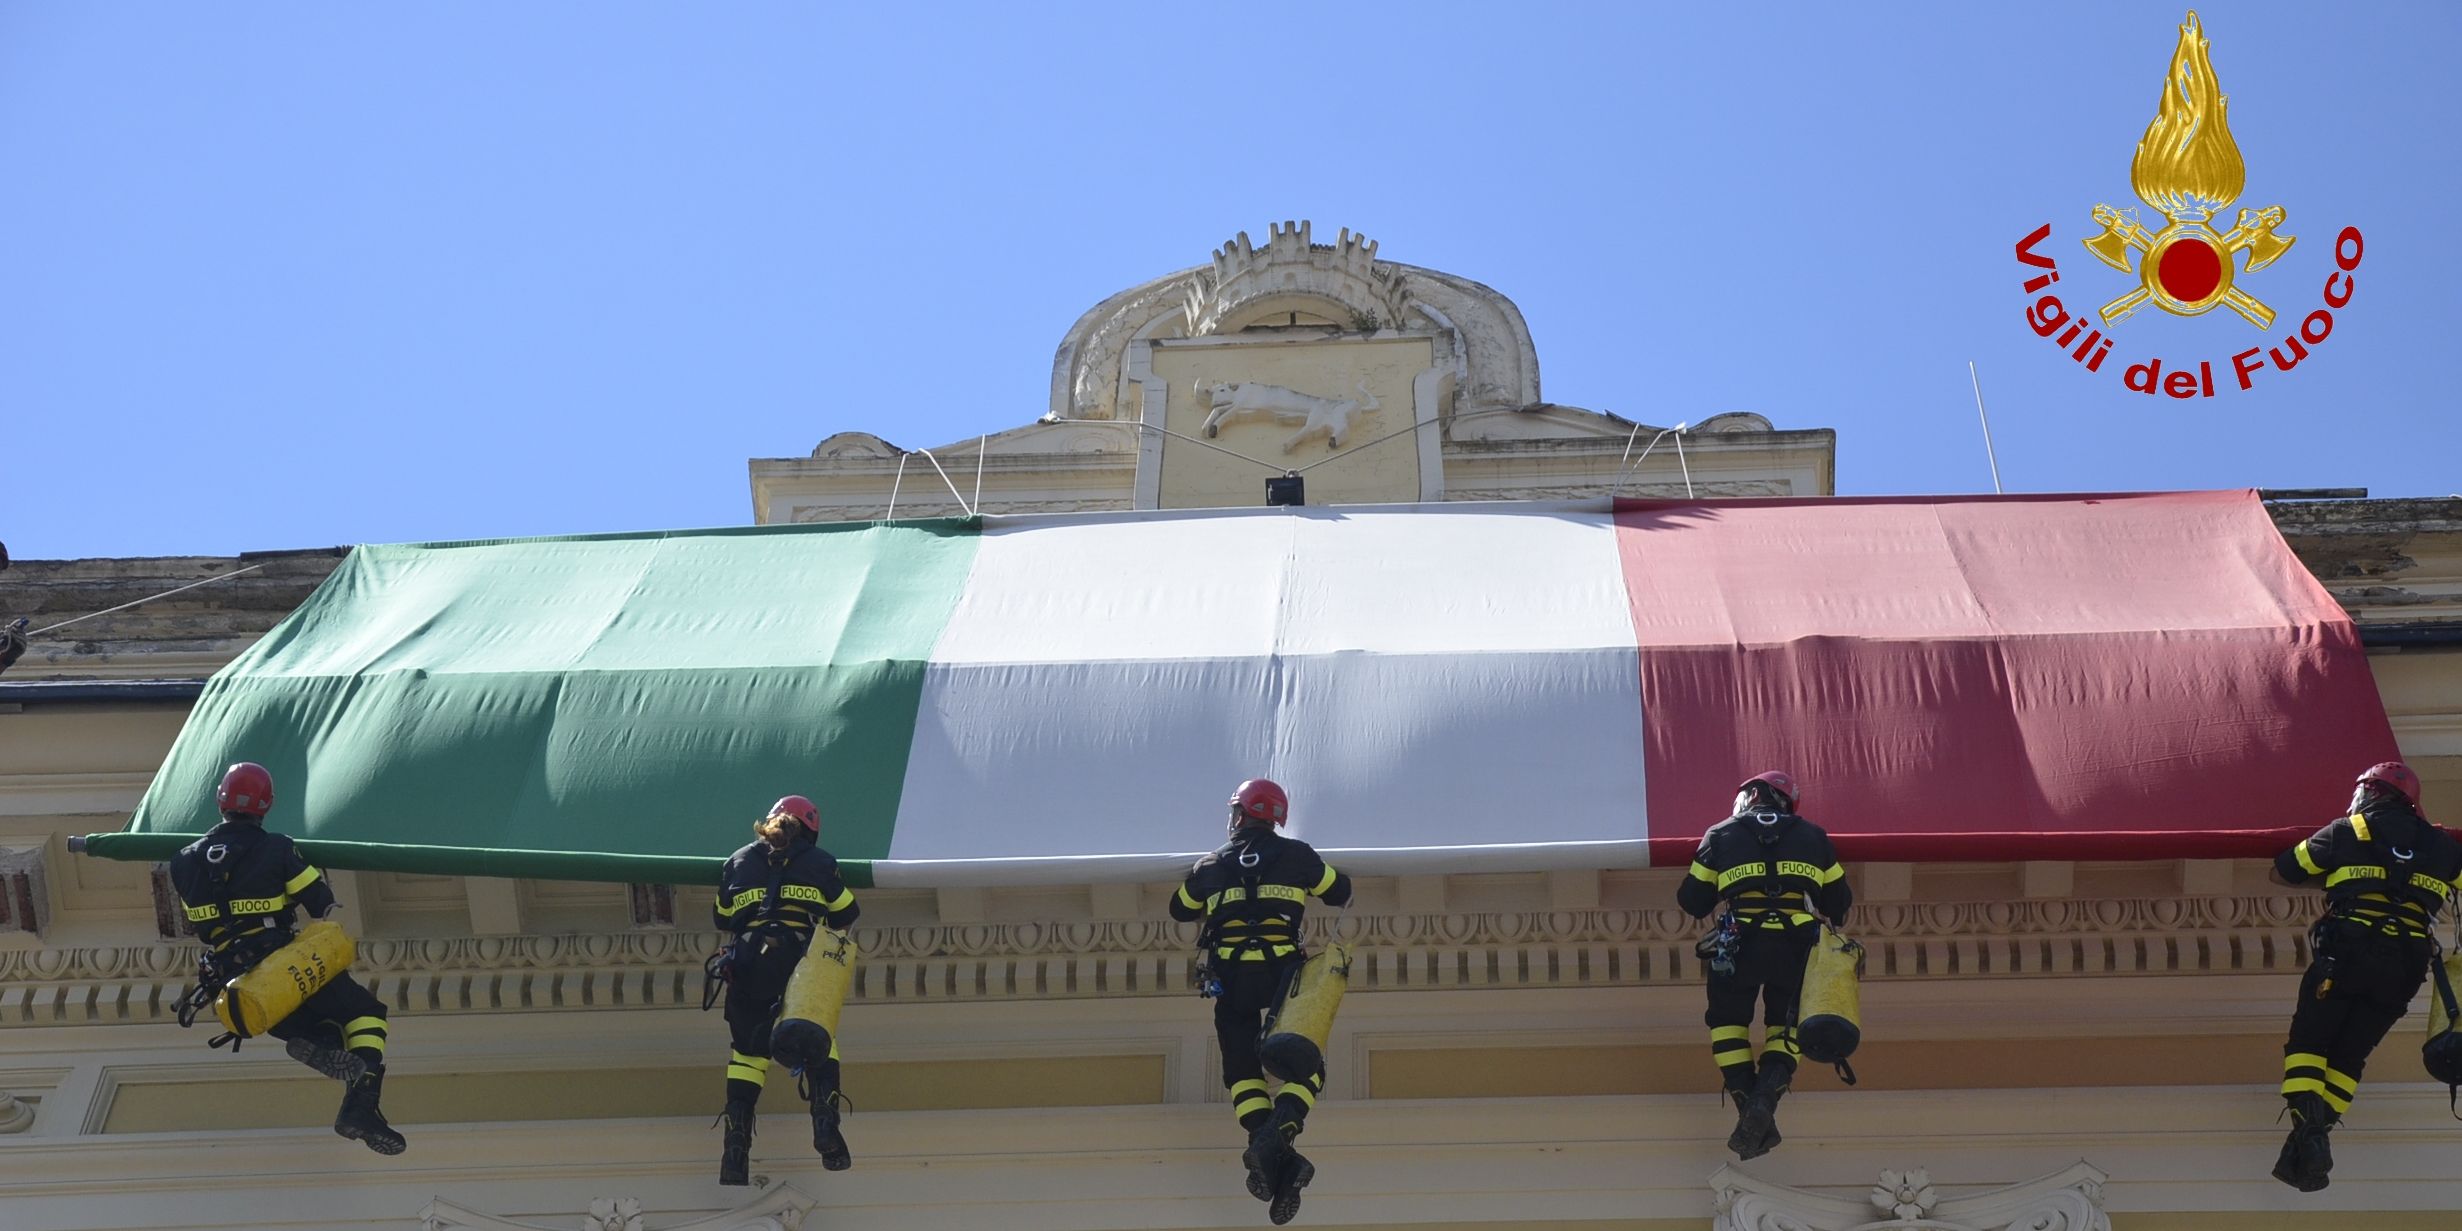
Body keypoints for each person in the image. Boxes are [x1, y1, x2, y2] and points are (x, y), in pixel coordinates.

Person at [168, 762, 405, 1155]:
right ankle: (360, 1103)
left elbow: (198, 922)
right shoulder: (276, 847)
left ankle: (319, 1044)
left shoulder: (183, 861)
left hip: (240, 989)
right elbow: (319, 903)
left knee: (325, 1033)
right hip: (284, 968)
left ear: (220, 800)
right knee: (366, 1013)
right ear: (268, 804)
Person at [2268, 761, 2460, 1191]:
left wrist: (2338, 881)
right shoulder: (2443, 846)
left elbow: (2284, 869)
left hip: (2347, 952)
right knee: (2349, 1056)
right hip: (2406, 966)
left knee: (2308, 1046)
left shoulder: (2345, 832)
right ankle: (2309, 1143)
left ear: (2369, 794)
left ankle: (2310, 1134)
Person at [1169, 778, 1353, 1226]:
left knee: (1241, 1072)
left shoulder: (1210, 865)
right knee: (1306, 1062)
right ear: (1274, 819)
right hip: (1281, 976)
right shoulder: (1298, 856)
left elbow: (1181, 908)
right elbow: (1339, 890)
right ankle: (1283, 1131)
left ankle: (1272, 1153)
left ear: (1242, 815)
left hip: (1232, 982)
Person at [1675, 770, 1851, 1162]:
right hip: (1798, 946)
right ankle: (1764, 1101)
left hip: (1740, 944)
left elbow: (1692, 900)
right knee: (1785, 1026)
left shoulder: (1720, 834)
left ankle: (1747, 1105)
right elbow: (1839, 903)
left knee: (1727, 1023)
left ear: (1752, 795)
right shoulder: (1814, 837)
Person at [711, 794, 861, 1186]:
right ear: (809, 832)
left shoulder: (738, 859)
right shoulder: (821, 863)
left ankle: (735, 1150)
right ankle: (825, 1125)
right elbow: (846, 912)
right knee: (820, 1037)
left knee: (746, 1055)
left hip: (745, 964)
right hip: (795, 961)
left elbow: (722, 915)